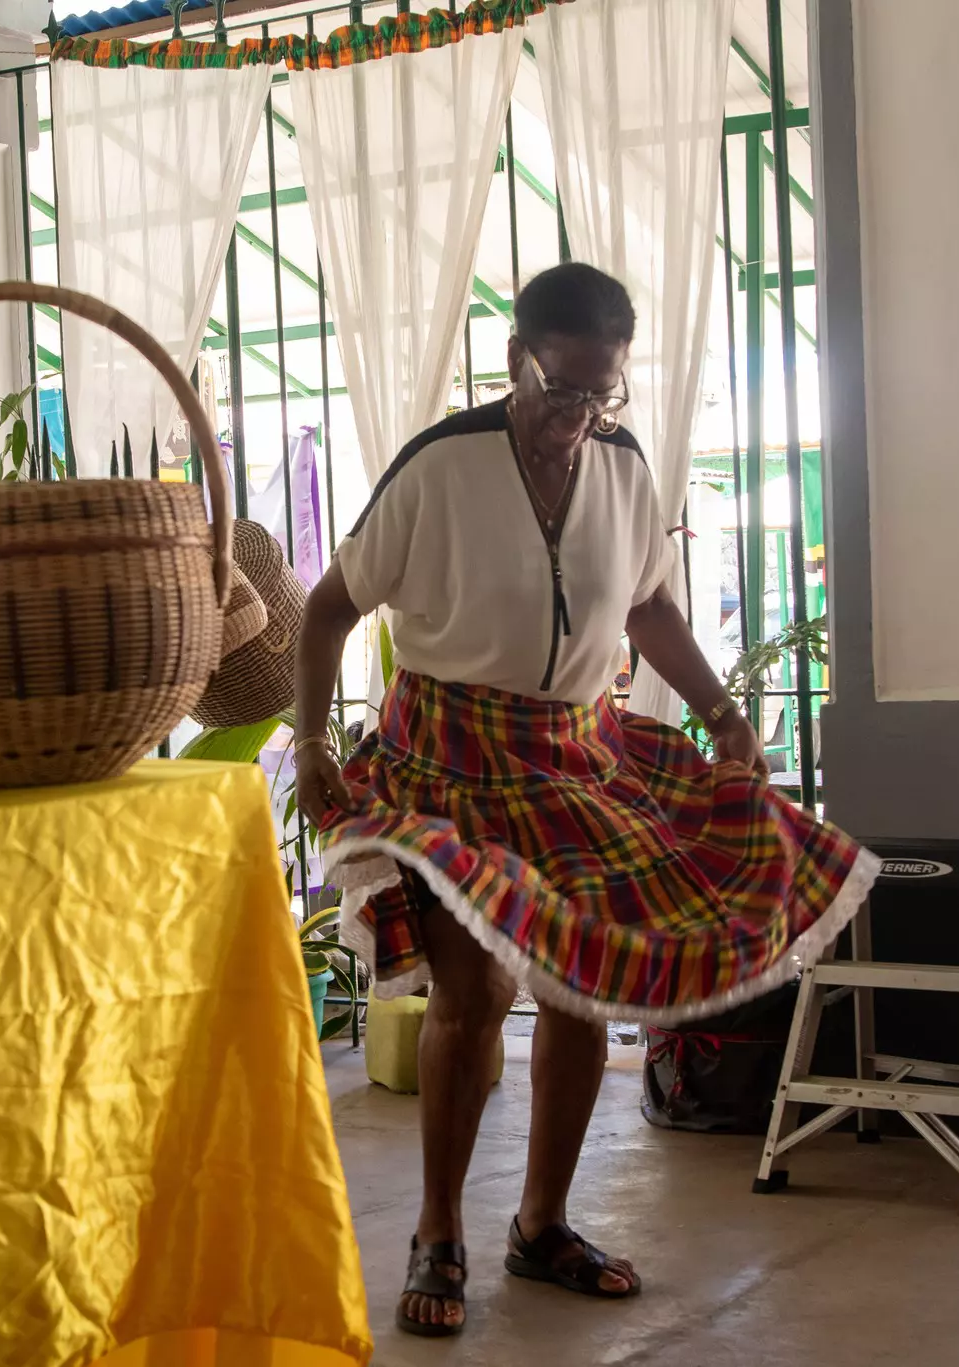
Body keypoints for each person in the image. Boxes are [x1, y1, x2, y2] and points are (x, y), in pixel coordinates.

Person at [291, 262, 873, 1338]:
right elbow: (327, 607)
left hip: (574, 752)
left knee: (584, 985)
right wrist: (313, 736)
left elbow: (647, 605)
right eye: (562, 391)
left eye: (602, 395)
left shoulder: (620, 464)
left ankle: (541, 1224)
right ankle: (437, 1231)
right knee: (472, 993)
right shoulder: (441, 465)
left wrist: (721, 713)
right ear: (518, 360)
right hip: (450, 754)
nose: (579, 416)